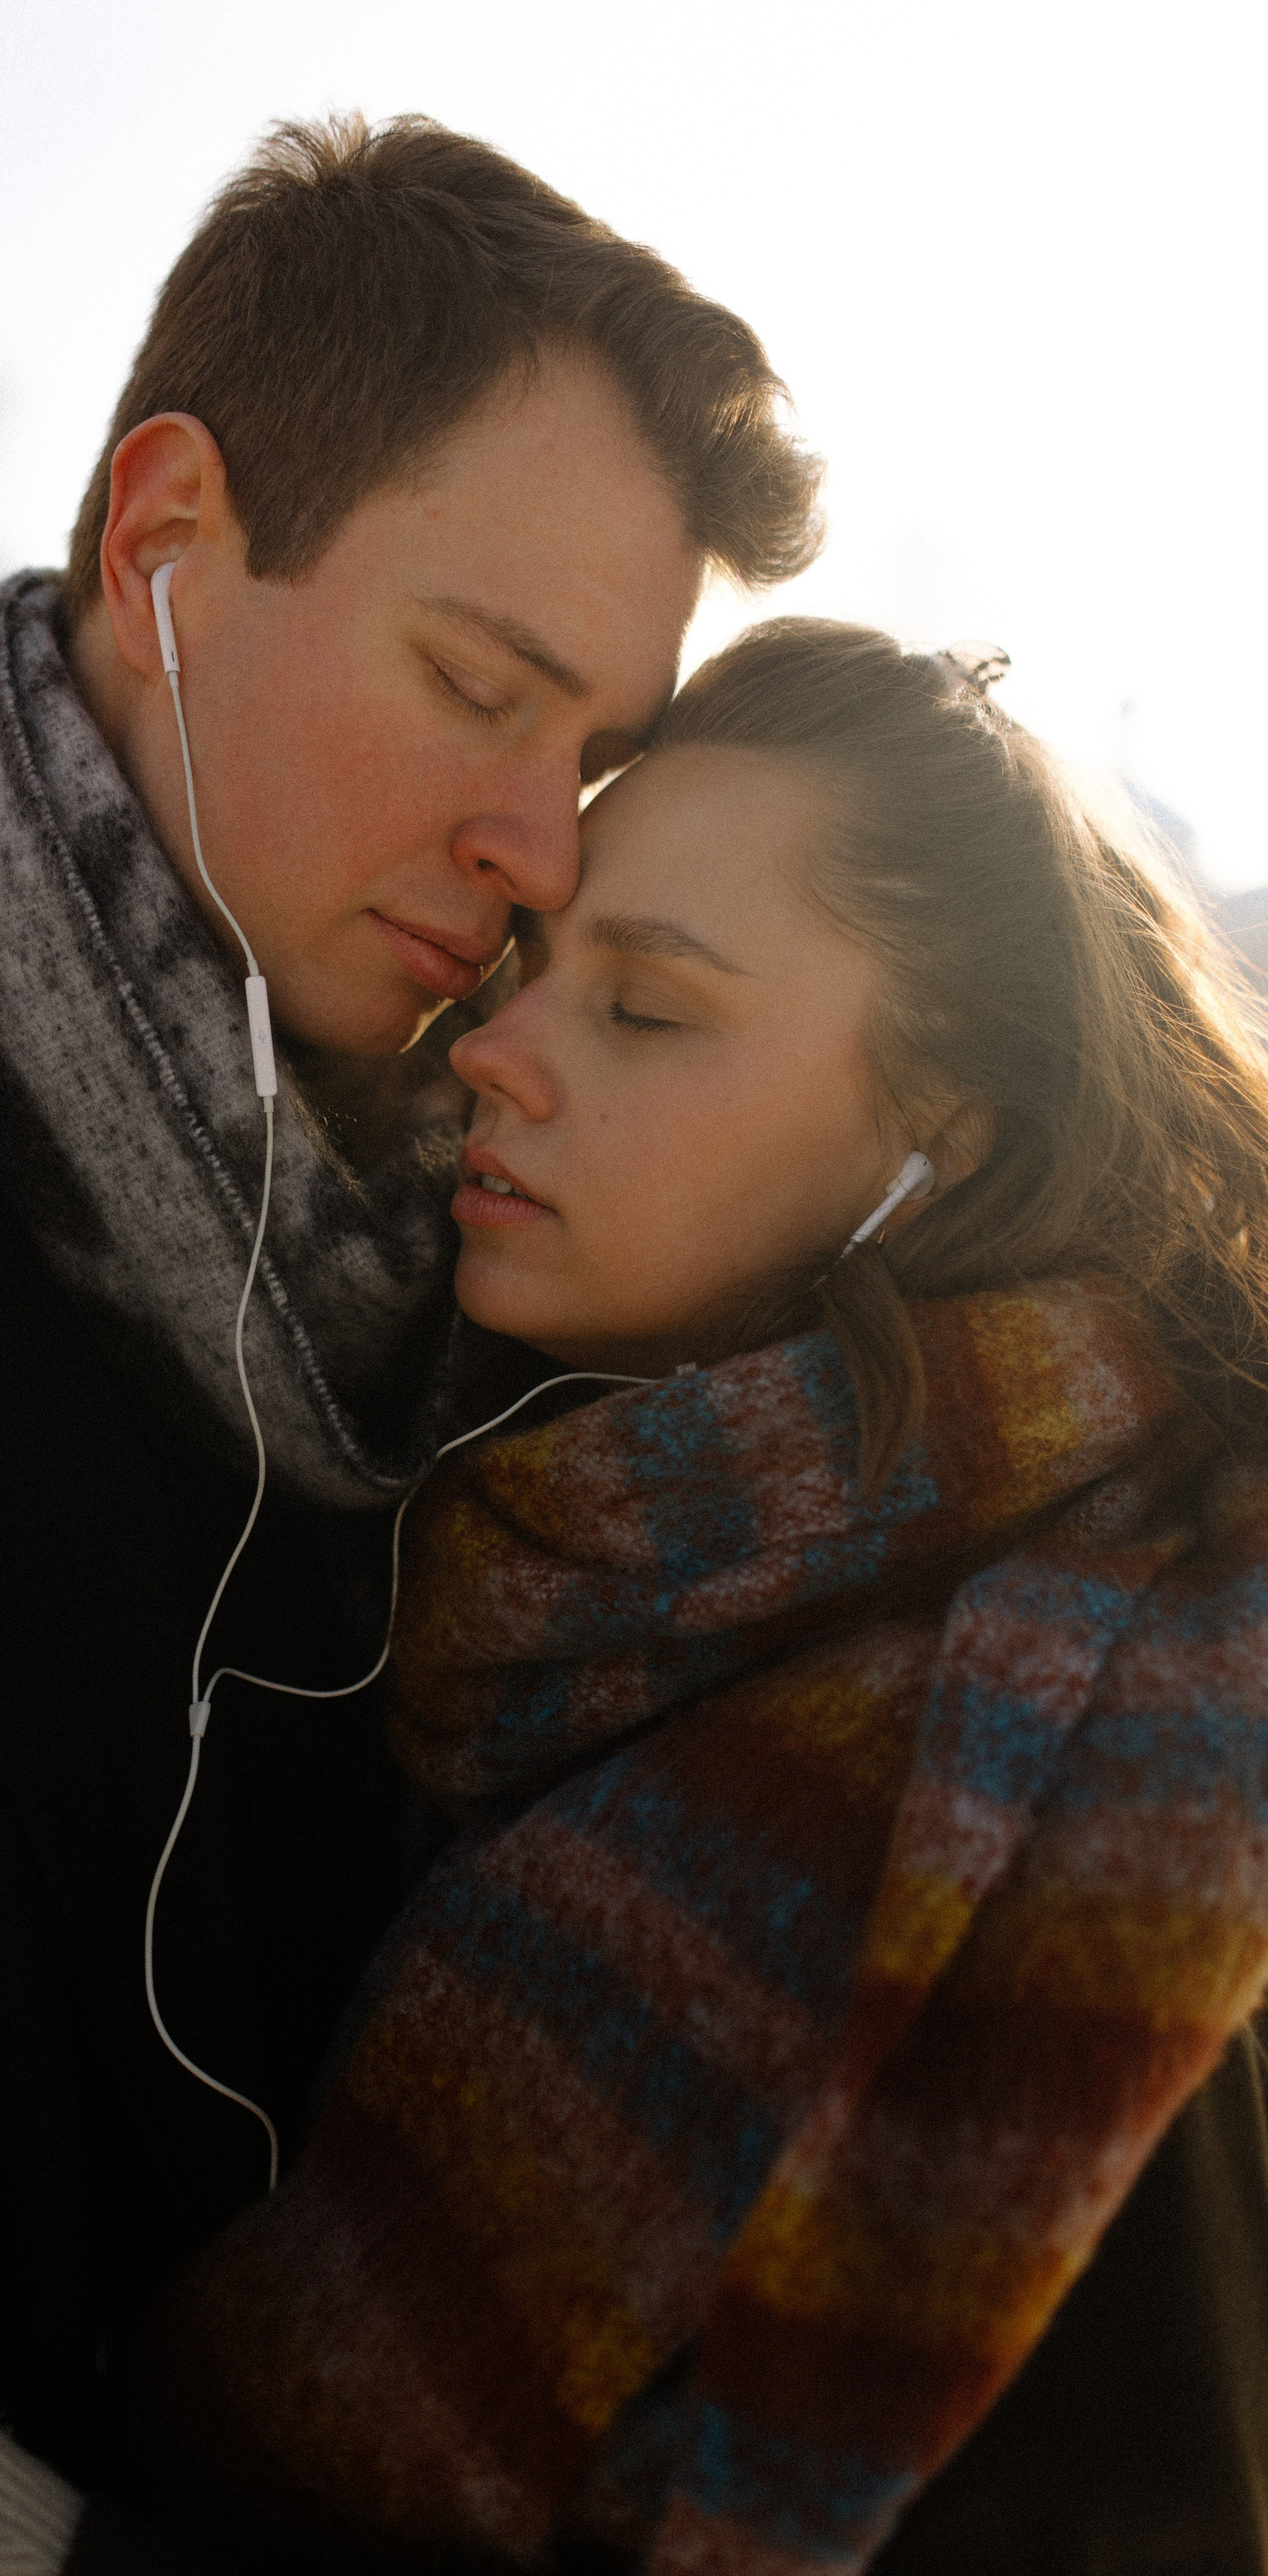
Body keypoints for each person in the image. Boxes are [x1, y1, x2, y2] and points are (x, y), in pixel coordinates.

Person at [0, 116, 822, 2569]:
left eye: (590, 760)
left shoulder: (530, 1292)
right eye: (477, 684)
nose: (546, 849)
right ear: (164, 540)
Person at [152, 623, 1268, 2575]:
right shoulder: (563, 1580)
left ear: (946, 1140)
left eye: (648, 1010)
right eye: (527, 970)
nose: (493, 1049)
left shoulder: (1112, 1772)